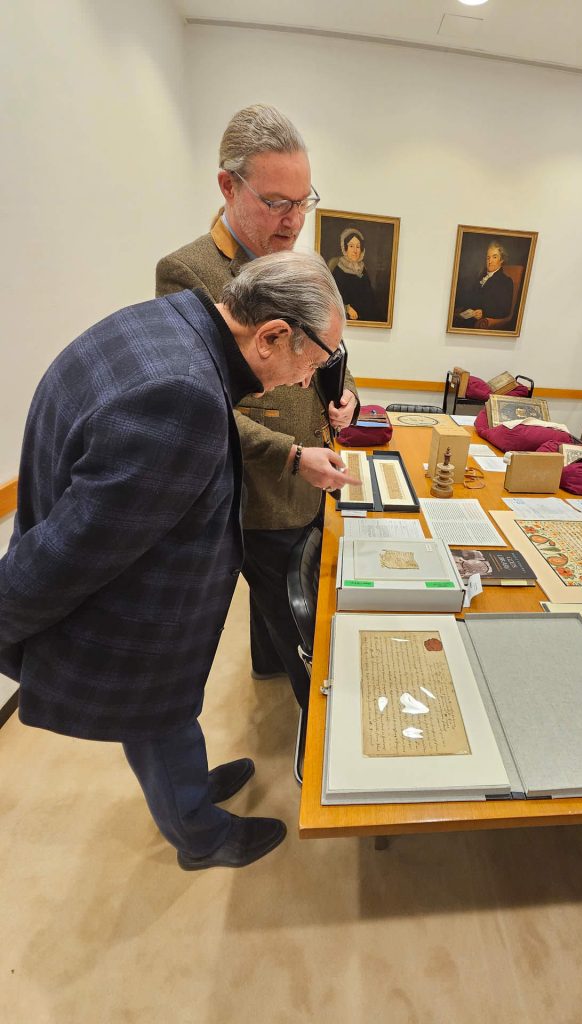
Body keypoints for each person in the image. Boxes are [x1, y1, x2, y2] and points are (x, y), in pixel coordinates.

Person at [0, 251, 354, 871]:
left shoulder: (173, 321)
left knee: (169, 716)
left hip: (147, 597)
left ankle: (190, 787)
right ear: (273, 335)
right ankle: (200, 836)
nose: (308, 381)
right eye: (315, 362)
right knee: (156, 715)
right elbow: (67, 553)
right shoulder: (182, 396)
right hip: (135, 617)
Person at [156, 103, 359, 712]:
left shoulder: (301, 261)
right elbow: (205, 410)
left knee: (298, 601)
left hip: (316, 473)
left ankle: (275, 671)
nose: (294, 220)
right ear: (228, 185)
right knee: (297, 624)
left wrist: (343, 392)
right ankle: (315, 735)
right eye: (277, 203)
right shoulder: (187, 272)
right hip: (261, 495)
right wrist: (293, 456)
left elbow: (329, 344)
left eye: (304, 201)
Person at [455, 241, 516, 330]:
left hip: (481, 323)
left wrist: (483, 313)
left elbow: (504, 310)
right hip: (468, 318)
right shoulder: (481, 277)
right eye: (488, 258)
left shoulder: (505, 281)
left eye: (494, 257)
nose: (490, 261)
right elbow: (470, 298)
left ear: (501, 260)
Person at [331, 227, 379, 322]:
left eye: (358, 246)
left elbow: (370, 297)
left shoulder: (362, 269)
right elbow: (333, 298)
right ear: (345, 248)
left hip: (366, 319)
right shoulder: (338, 270)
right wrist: (347, 308)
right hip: (347, 319)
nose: (355, 250)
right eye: (351, 246)